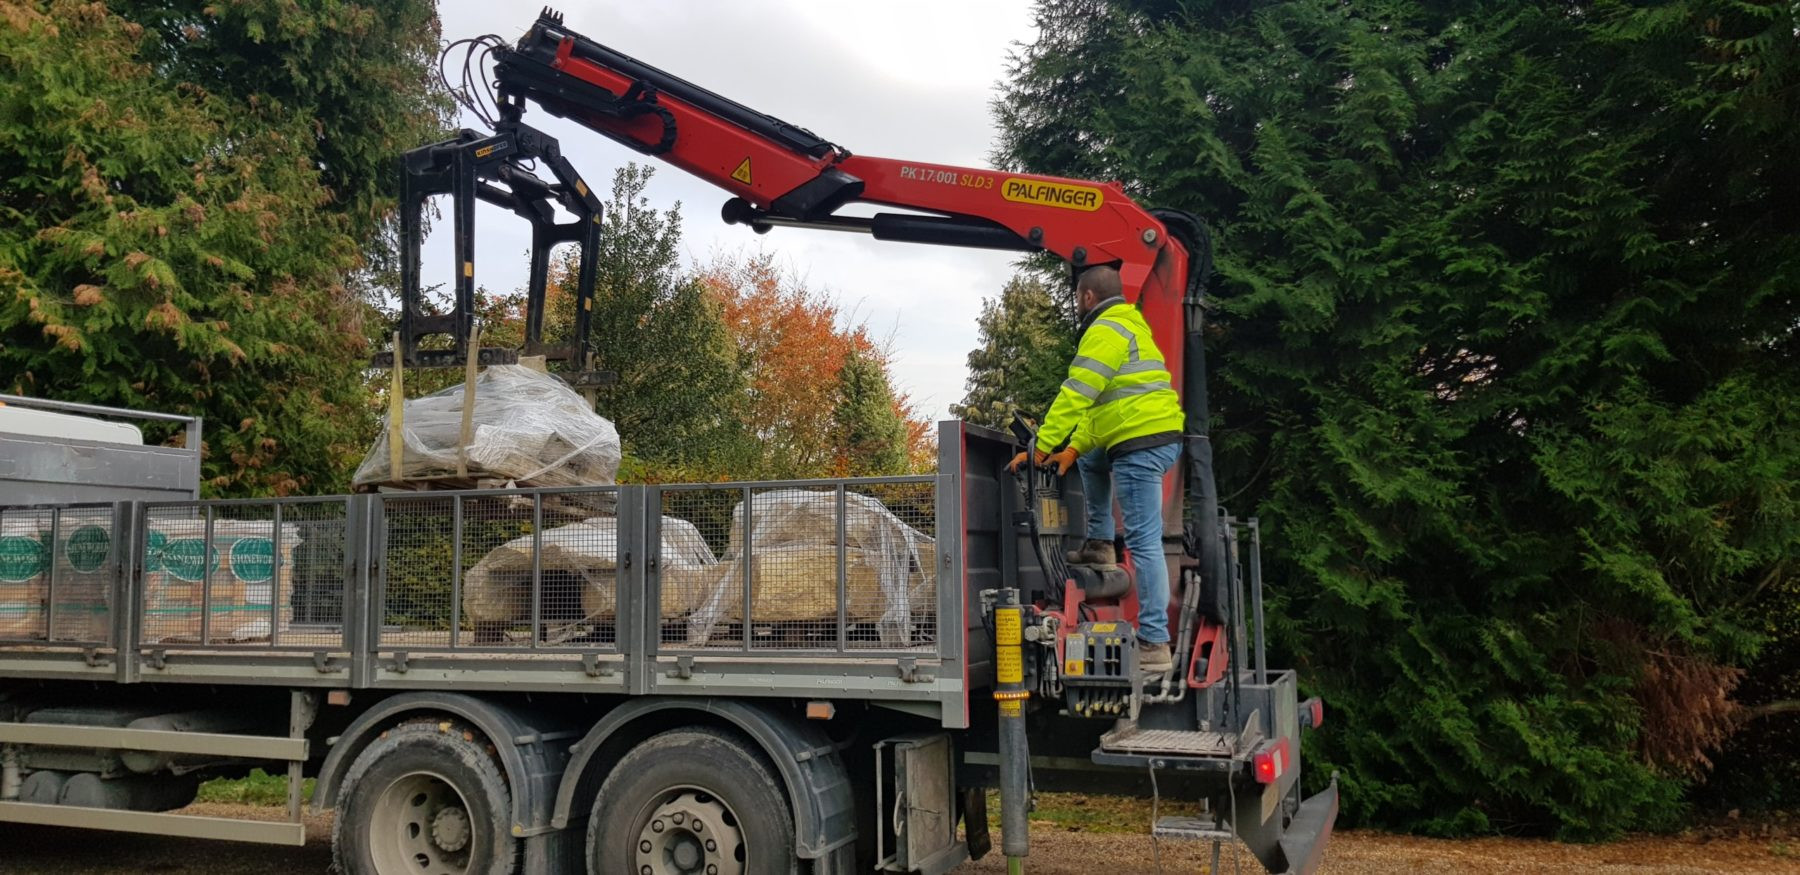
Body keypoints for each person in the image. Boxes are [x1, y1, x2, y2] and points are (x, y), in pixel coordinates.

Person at [1008, 266, 1185, 672]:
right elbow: (1098, 407)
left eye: (1076, 297)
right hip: (1141, 434)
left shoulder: (1105, 331)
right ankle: (1101, 544)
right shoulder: (1128, 326)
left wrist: (1039, 450)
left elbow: (1076, 393)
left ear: (1087, 297)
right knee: (1089, 455)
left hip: (1141, 444)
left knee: (1144, 544)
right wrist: (1071, 449)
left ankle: (1155, 643)